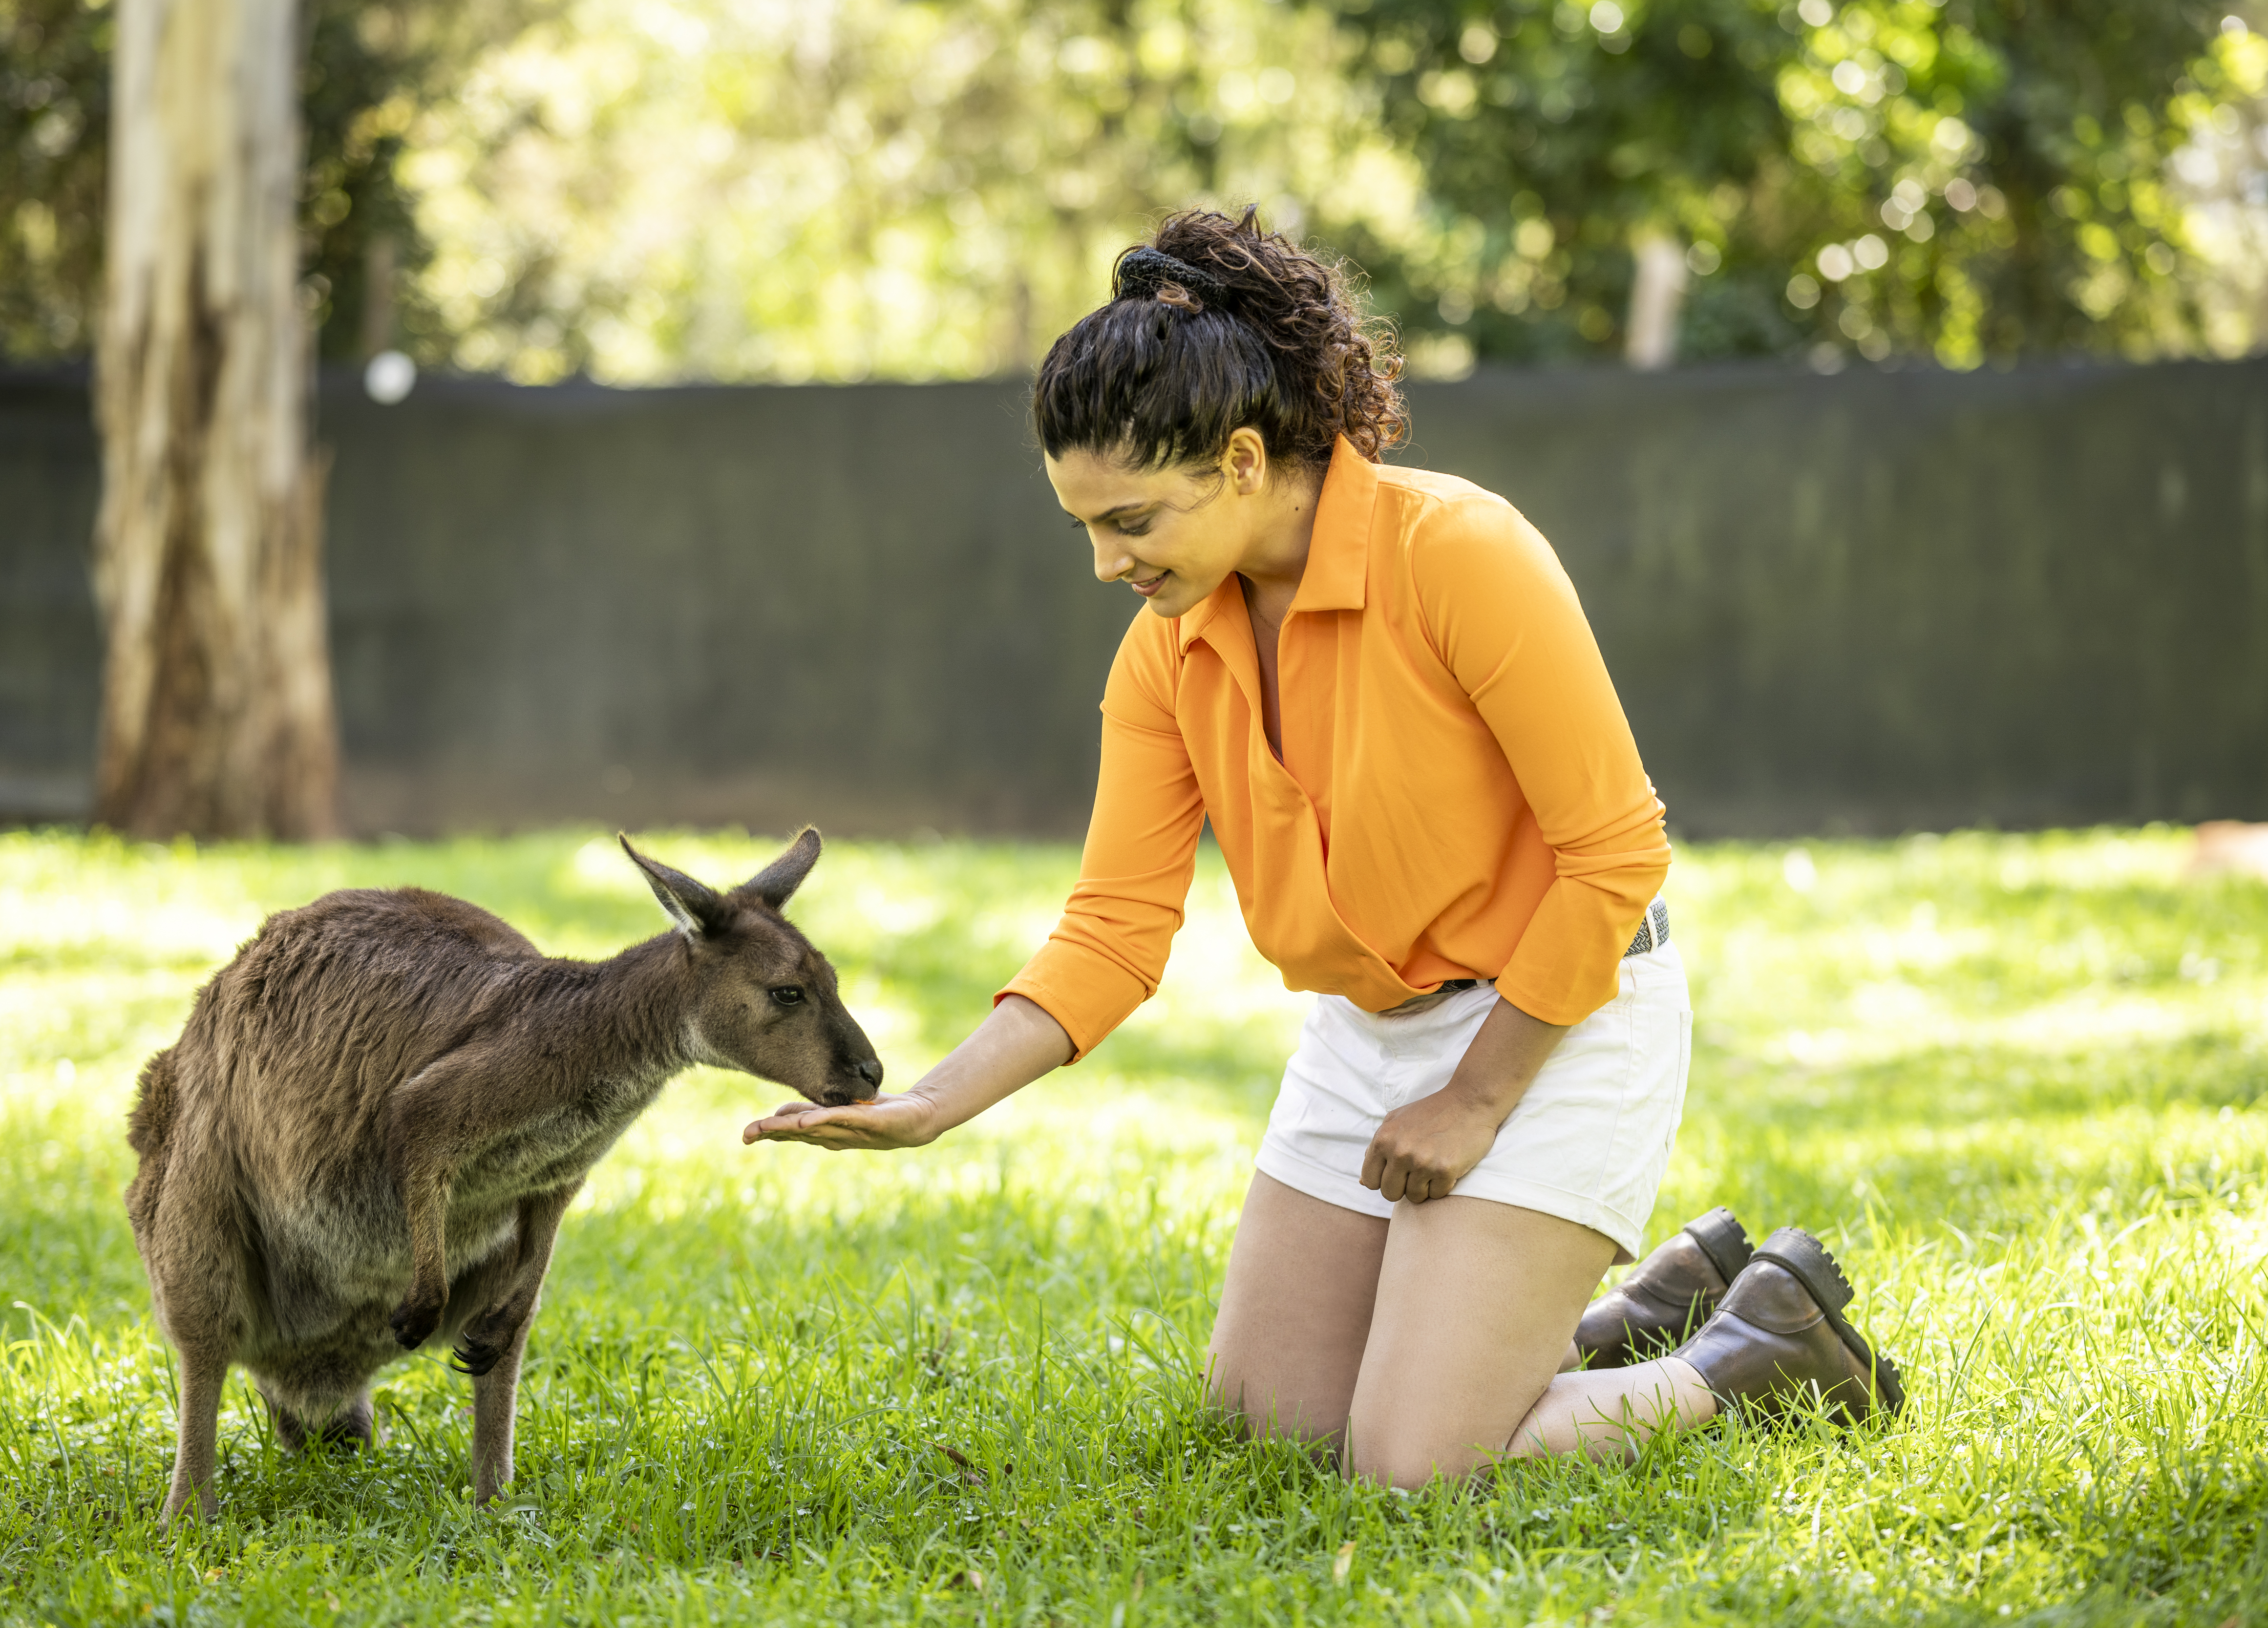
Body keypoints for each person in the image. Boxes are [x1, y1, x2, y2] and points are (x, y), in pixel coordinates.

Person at [745, 210, 1901, 1486]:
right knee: (1273, 1429)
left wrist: (1473, 1102)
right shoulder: (1169, 649)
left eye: (1129, 521)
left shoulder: (1459, 552)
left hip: (1560, 1020)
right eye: (1083, 526)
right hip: (1369, 1036)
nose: (1104, 563)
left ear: (1242, 462)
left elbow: (1616, 856)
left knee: (1410, 1467)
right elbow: (1116, 925)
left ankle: (1757, 1358)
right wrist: (932, 1103)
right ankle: (1628, 1317)